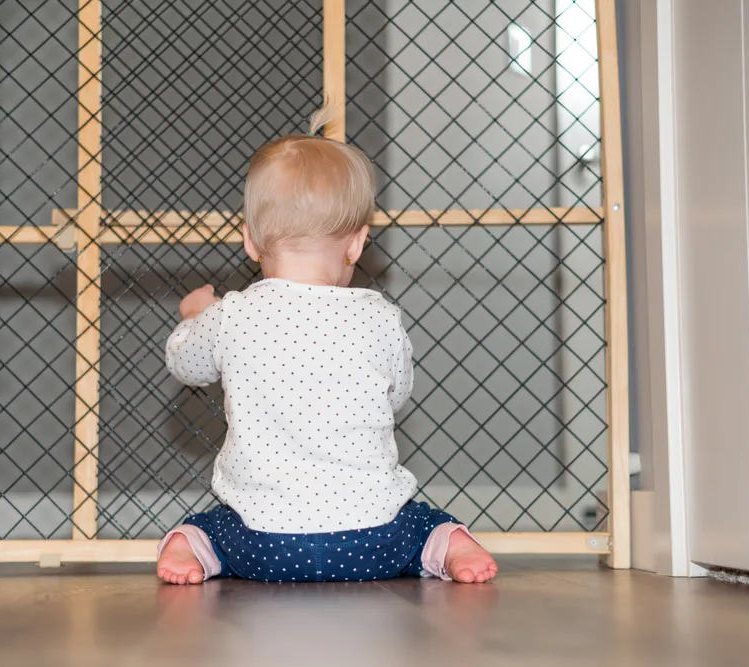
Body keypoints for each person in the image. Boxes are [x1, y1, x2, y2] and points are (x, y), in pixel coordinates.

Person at [156, 108, 497, 585]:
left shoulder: (230, 314)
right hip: (374, 541)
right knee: (423, 523)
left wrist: (193, 319)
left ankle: (191, 551)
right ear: (357, 244)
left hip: (265, 545)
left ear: (250, 242)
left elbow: (186, 365)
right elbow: (396, 396)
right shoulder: (380, 316)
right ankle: (449, 547)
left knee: (209, 527)